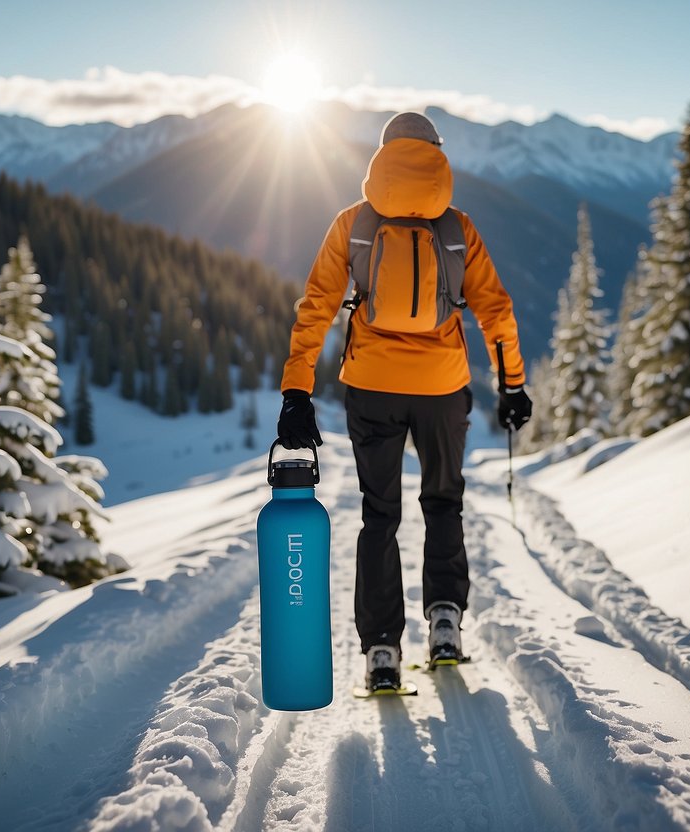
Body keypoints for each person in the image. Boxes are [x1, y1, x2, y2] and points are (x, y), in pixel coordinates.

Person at [277, 111, 532, 692]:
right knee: (443, 501)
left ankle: (382, 652)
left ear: (384, 155)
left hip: (371, 387)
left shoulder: (354, 223)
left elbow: (315, 307)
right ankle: (445, 621)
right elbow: (497, 311)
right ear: (436, 154)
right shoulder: (457, 228)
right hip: (443, 388)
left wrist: (297, 389)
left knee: (379, 516)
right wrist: (512, 384)